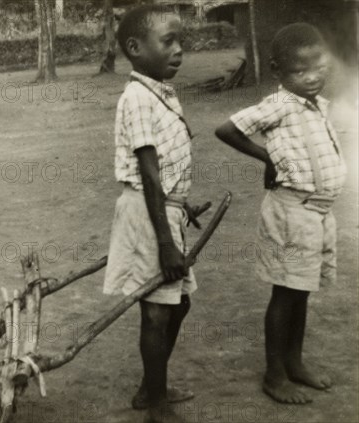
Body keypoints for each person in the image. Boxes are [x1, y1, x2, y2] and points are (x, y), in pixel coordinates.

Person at [215, 23, 346, 404]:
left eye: (319, 68)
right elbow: (228, 129)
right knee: (285, 295)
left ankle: (294, 363)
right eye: (300, 72)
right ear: (278, 72)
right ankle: (275, 375)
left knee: (301, 291)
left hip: (317, 214)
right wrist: (267, 156)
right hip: (292, 212)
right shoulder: (279, 105)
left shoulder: (317, 106)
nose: (312, 78)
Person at [103, 5, 209, 422]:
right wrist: (165, 241)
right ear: (135, 48)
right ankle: (157, 405)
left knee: (178, 305)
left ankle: (153, 386)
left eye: (180, 40)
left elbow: (164, 168)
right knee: (157, 310)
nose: (179, 50)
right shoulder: (137, 98)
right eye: (168, 41)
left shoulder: (158, 91)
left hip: (165, 211)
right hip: (149, 216)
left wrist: (182, 207)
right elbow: (148, 173)